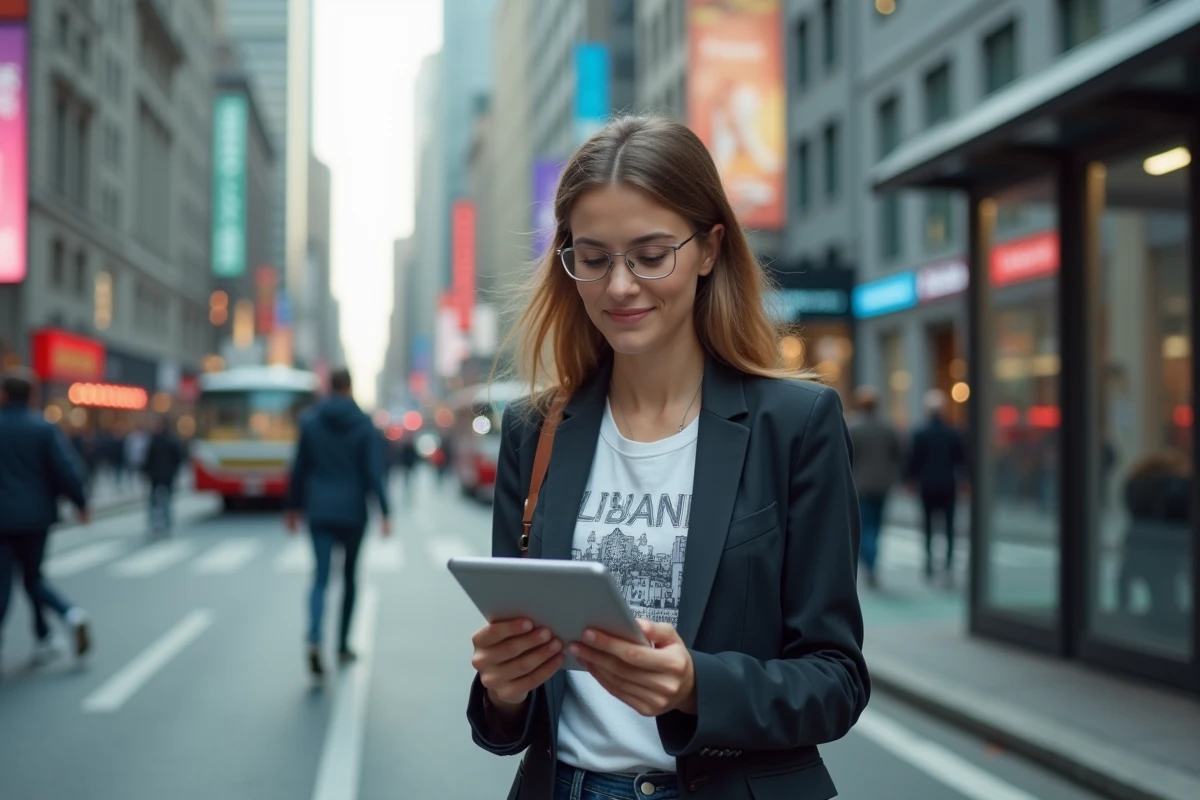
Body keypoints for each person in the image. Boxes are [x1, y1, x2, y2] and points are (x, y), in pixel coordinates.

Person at [465, 116, 868, 800]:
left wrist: (694, 686)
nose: (619, 286)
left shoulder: (796, 426)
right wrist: (503, 690)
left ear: (709, 248)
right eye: (592, 258)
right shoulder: (534, 432)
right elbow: (520, 712)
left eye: (651, 255)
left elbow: (836, 679)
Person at [284, 367, 391, 679]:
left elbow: (299, 469)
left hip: (319, 508)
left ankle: (315, 638)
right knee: (350, 579)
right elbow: (374, 472)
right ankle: (343, 645)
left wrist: (292, 508)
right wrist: (385, 512)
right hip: (353, 510)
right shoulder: (364, 424)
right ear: (351, 387)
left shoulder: (311, 422)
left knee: (319, 577)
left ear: (329, 387)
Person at [0, 368, 93, 665]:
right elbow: (65, 470)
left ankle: (43, 636)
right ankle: (67, 617)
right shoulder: (43, 428)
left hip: (2, 520)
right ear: (32, 395)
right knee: (33, 578)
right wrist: (81, 503)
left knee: (4, 583)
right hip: (36, 518)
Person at [906, 389, 967, 582]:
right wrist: (965, 482)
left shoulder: (919, 433)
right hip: (948, 484)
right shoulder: (953, 433)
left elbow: (913, 461)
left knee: (928, 526)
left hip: (927, 485)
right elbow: (962, 460)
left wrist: (910, 480)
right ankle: (948, 564)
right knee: (949, 526)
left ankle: (929, 563)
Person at [847, 386, 904, 589]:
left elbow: (846, 457)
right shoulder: (887, 427)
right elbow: (898, 454)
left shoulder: (853, 426)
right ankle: (872, 562)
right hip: (883, 484)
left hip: (860, 484)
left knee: (864, 526)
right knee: (877, 526)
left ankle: (870, 564)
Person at [142, 415, 187, 538]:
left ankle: (163, 525)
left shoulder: (165, 440)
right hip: (160, 475)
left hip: (163, 475)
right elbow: (148, 457)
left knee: (163, 501)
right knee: (156, 501)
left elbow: (178, 457)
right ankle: (157, 525)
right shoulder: (163, 439)